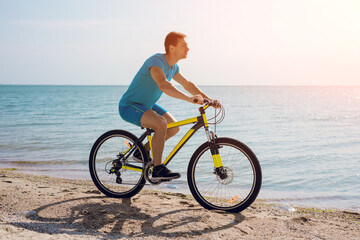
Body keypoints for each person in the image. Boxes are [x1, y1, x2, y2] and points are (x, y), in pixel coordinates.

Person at [119, 31, 219, 181]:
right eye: (184, 45)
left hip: (147, 105)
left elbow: (187, 84)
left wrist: (208, 100)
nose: (188, 48)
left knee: (174, 127)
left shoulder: (174, 67)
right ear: (172, 48)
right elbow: (163, 85)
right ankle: (158, 169)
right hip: (130, 106)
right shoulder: (156, 61)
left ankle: (142, 152)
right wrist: (189, 99)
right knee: (161, 123)